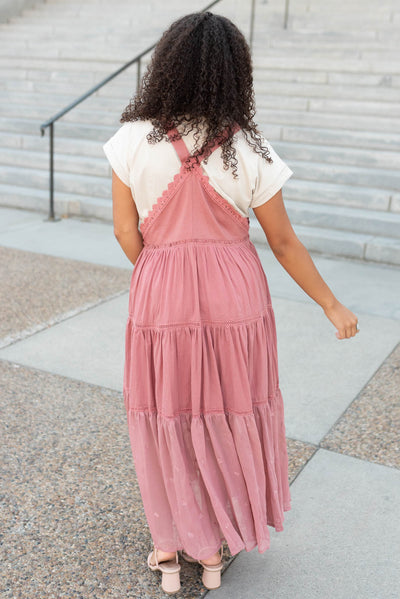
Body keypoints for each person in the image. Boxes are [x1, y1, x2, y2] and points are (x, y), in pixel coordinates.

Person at [103, 11, 359, 594]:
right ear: (233, 73)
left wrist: (161, 273)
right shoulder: (249, 147)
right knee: (226, 410)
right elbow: (285, 242)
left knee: (166, 413)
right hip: (234, 296)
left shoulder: (129, 140)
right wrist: (330, 304)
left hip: (160, 292)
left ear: (164, 65)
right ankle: (215, 548)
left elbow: (124, 232)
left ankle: (169, 547)